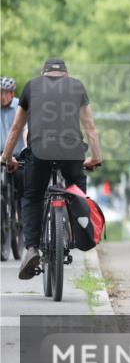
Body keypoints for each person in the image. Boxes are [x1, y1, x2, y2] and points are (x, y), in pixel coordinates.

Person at [0, 59, 102, 279]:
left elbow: (17, 127)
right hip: (72, 151)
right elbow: (89, 126)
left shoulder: (31, 86)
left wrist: (7, 158)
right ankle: (77, 232)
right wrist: (96, 157)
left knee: (32, 196)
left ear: (43, 74)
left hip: (39, 151)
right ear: (66, 74)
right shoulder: (77, 86)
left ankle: (32, 248)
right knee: (76, 190)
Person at [1, 77, 26, 257]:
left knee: (21, 186)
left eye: (5, 93)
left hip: (17, 154)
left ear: (12, 94)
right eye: (0, 93)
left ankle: (21, 216)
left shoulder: (19, 106)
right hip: (0, 155)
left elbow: (25, 129)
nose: (2, 96)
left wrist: (25, 149)